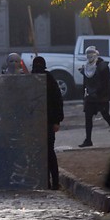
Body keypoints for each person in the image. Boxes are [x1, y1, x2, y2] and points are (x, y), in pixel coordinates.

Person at [31, 56, 64, 190]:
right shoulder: (33, 79)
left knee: (47, 152)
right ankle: (49, 182)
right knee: (45, 153)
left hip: (46, 122)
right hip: (39, 123)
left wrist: (56, 121)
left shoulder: (47, 79)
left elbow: (56, 100)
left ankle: (53, 182)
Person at [77, 46, 110, 147]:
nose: (89, 56)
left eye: (91, 53)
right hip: (90, 97)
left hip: (101, 97)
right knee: (88, 117)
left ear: (96, 54)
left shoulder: (102, 66)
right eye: (87, 54)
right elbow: (85, 83)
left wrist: (104, 95)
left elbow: (107, 83)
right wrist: (84, 95)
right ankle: (88, 140)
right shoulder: (86, 67)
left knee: (106, 116)